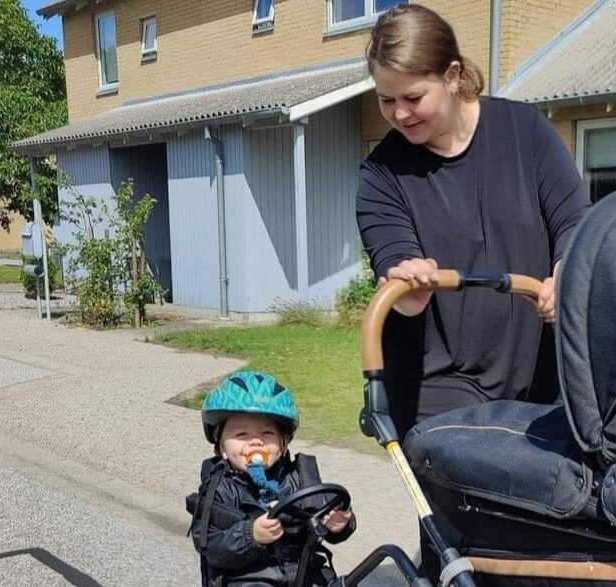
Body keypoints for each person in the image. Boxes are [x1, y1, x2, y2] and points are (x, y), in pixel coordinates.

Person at [355, 3, 591, 435]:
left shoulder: (526, 131)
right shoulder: (381, 175)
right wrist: (410, 280)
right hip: (437, 387)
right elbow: (401, 282)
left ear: (452, 75)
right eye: (386, 100)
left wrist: (566, 274)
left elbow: (574, 221)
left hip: (542, 377)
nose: (400, 114)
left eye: (413, 98)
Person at [186, 371, 356, 587]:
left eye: (267, 433)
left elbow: (325, 512)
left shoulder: (299, 477)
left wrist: (340, 523)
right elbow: (211, 545)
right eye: (242, 435)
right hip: (247, 577)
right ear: (222, 448)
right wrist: (251, 536)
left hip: (304, 571)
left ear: (284, 443)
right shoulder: (219, 488)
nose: (256, 442)